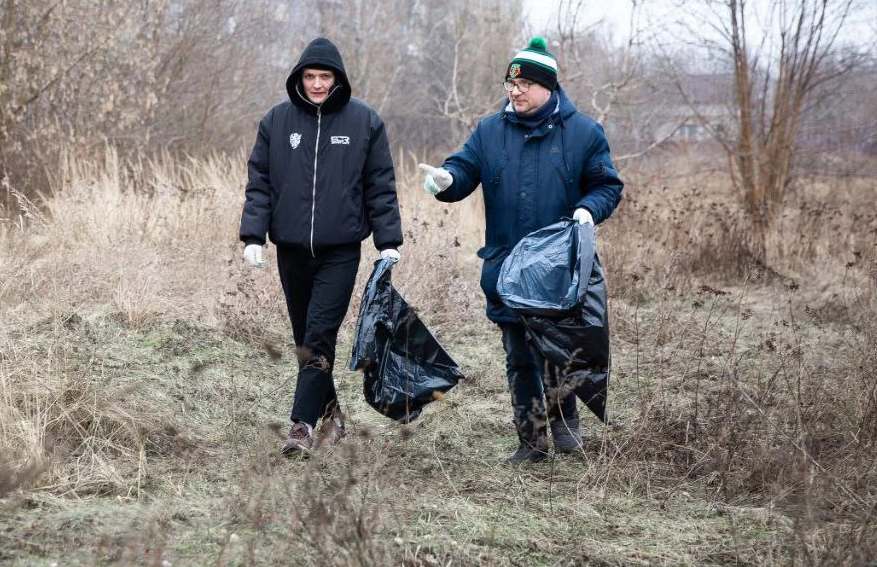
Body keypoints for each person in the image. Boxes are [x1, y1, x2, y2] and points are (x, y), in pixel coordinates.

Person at [418, 37, 623, 463]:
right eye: (510, 83)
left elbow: (607, 185)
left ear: (548, 87)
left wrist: (587, 210)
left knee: (560, 352)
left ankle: (566, 426)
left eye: (525, 84)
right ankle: (531, 443)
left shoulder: (583, 132)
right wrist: (445, 181)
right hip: (508, 269)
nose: (515, 91)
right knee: (520, 358)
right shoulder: (490, 131)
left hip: (561, 271)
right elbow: (463, 169)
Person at [239, 37, 403, 457]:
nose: (316, 84)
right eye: (309, 76)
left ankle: (302, 426)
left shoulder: (364, 122)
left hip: (340, 250)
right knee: (304, 339)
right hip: (290, 249)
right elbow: (259, 182)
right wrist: (253, 235)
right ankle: (331, 416)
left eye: (323, 76)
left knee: (318, 336)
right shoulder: (276, 122)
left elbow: (380, 187)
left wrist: (388, 242)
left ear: (338, 79)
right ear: (299, 77)